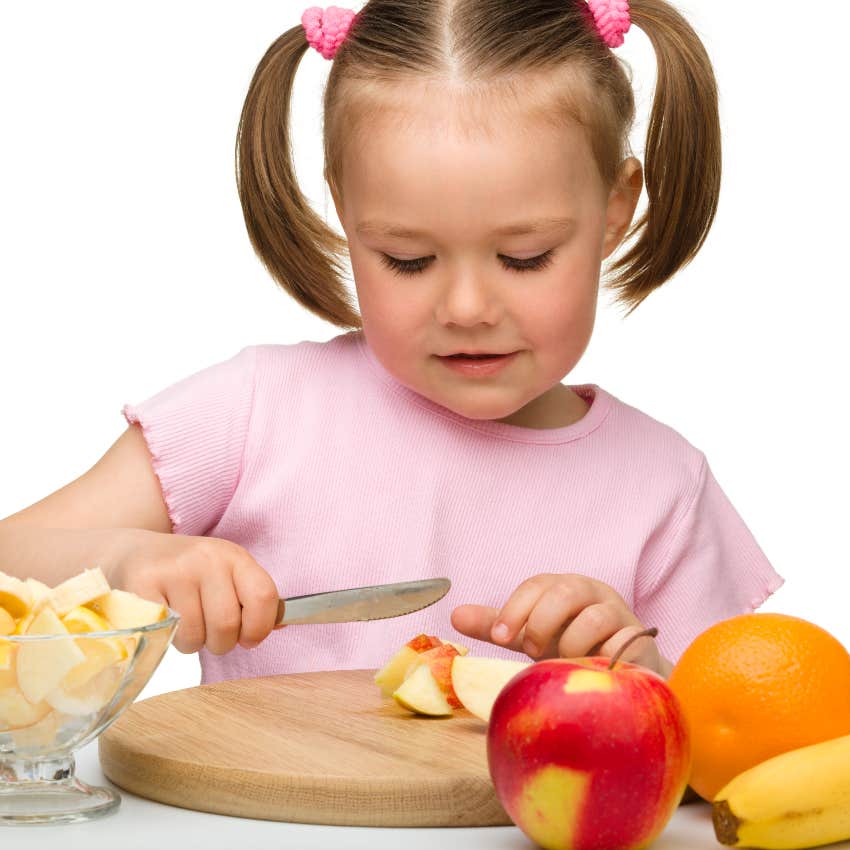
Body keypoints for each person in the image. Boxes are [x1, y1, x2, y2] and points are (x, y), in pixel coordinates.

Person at [0, 0, 783, 684]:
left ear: (616, 209)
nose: (469, 307)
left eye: (525, 256)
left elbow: (730, 745)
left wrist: (642, 676)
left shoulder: (664, 487)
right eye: (408, 258)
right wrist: (126, 564)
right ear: (344, 208)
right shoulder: (253, 414)